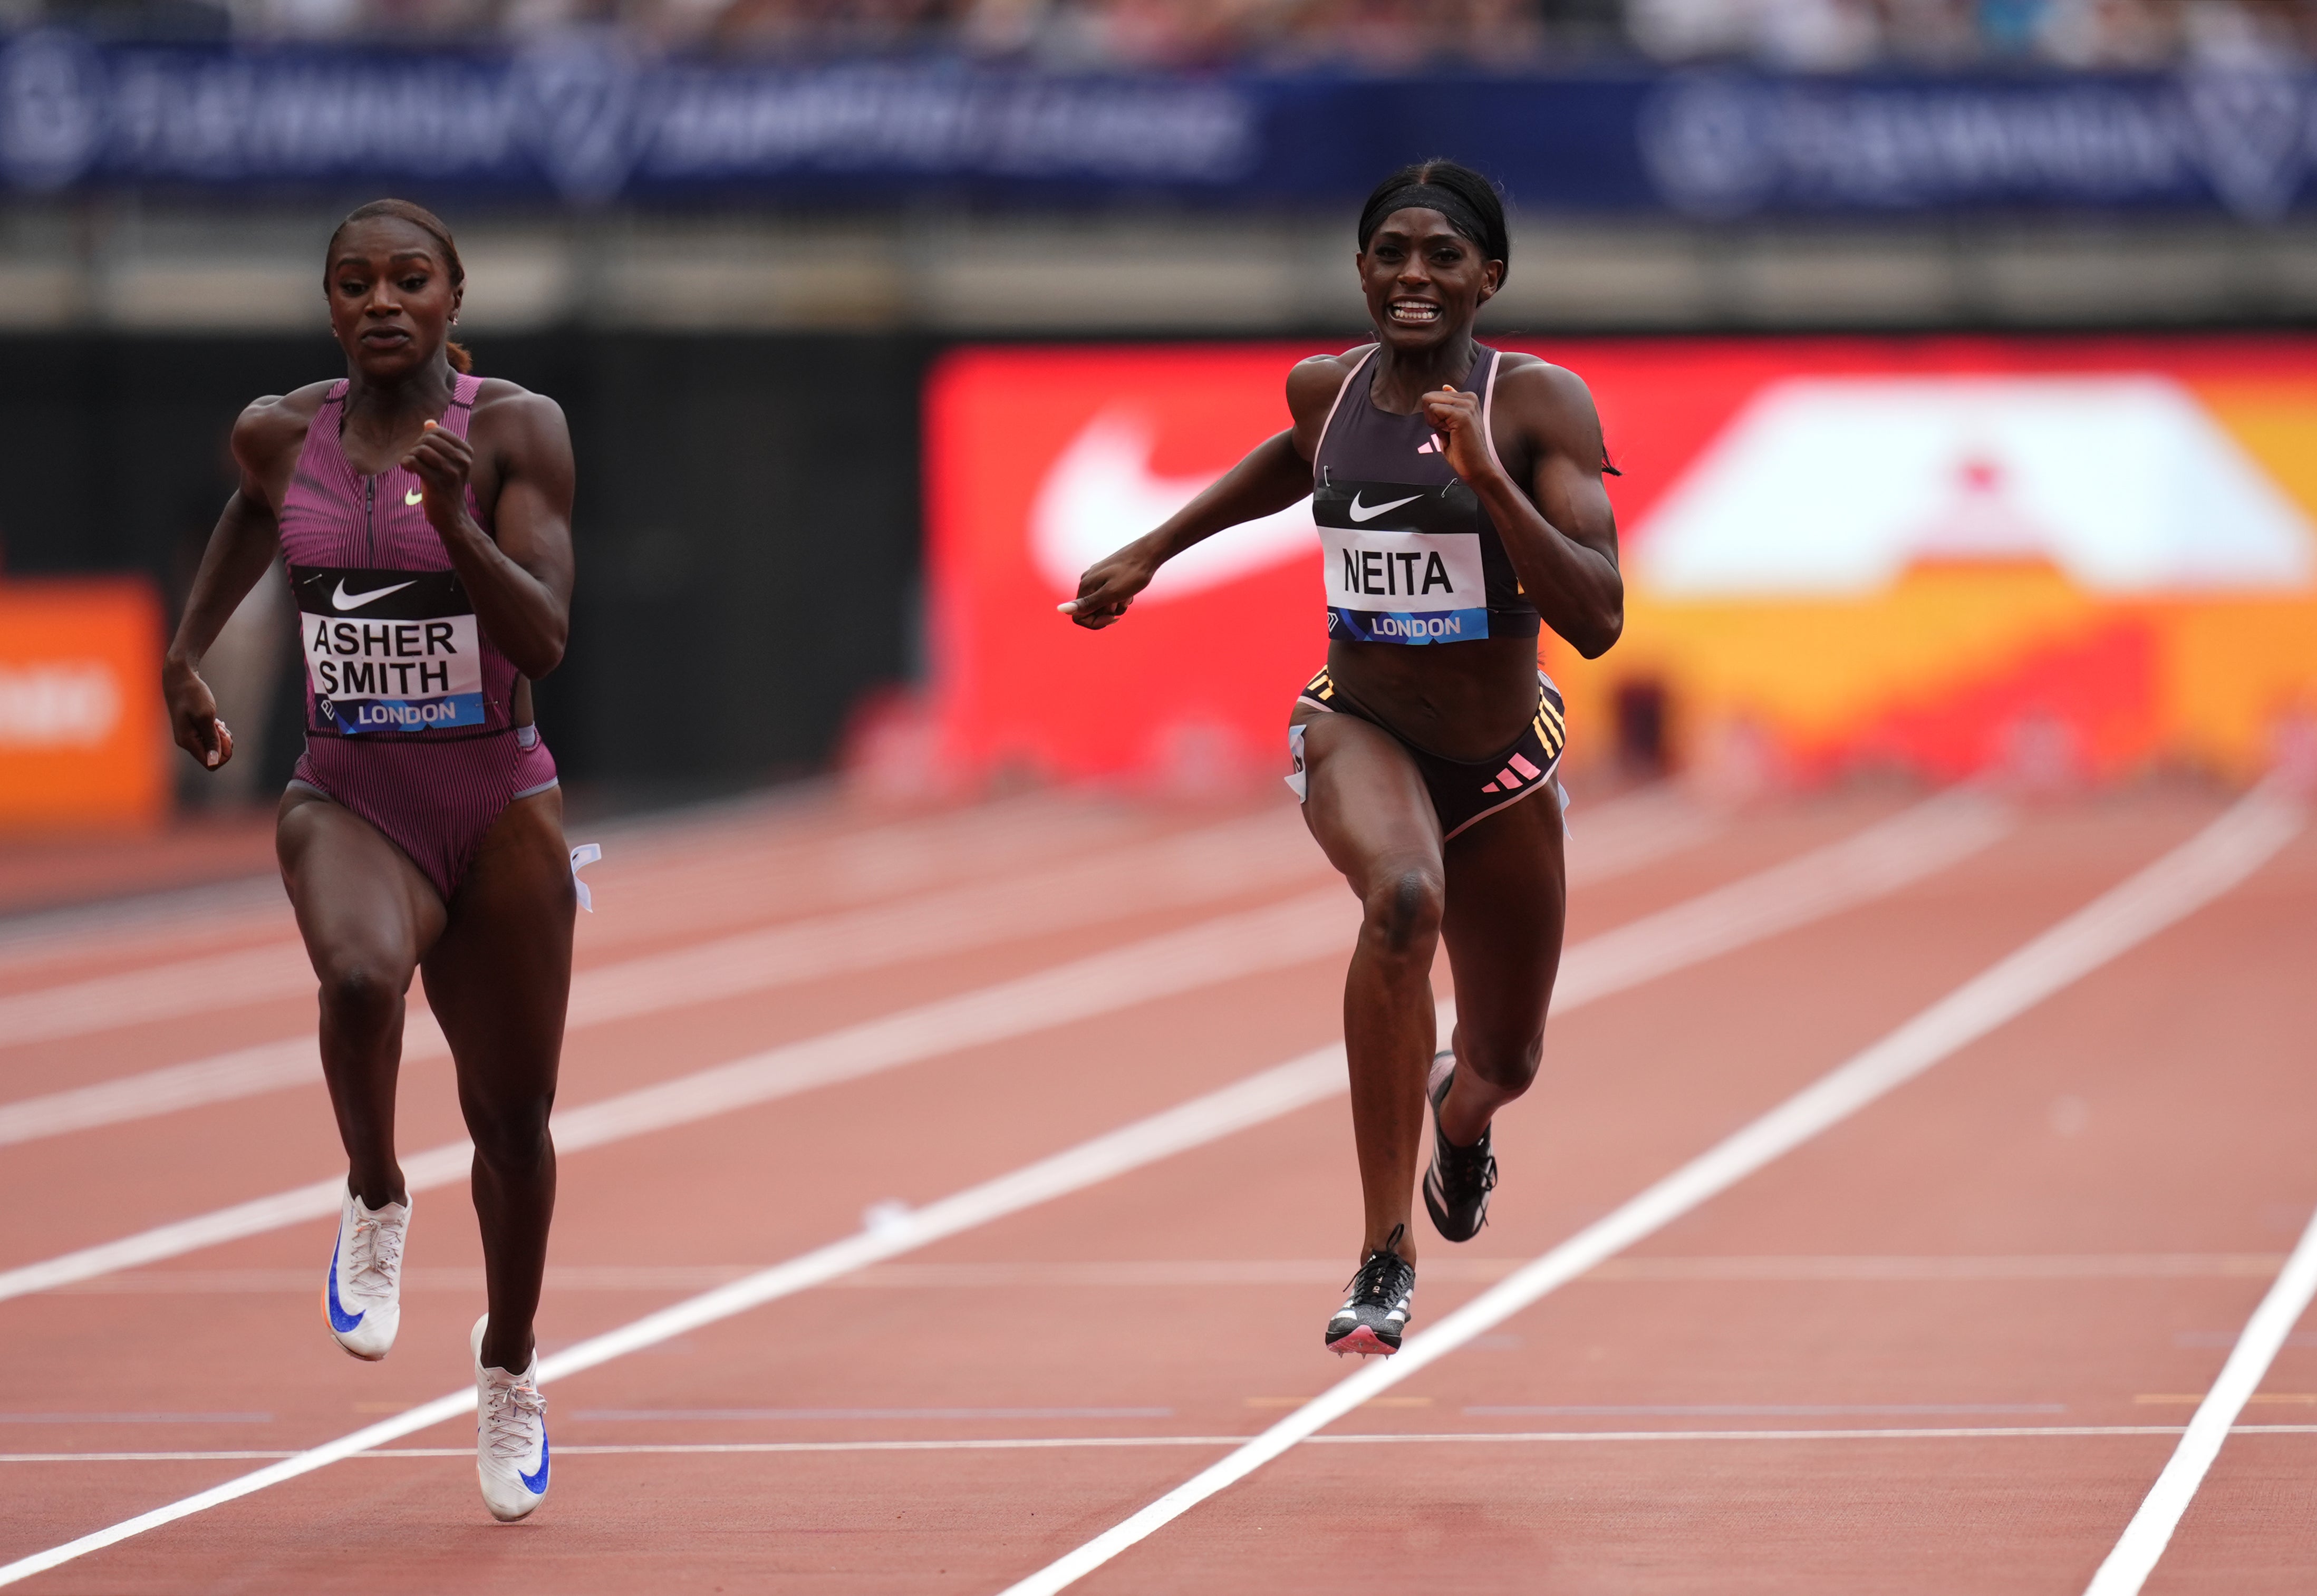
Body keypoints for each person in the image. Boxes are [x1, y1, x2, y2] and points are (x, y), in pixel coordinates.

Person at [1063, 161, 1621, 1357]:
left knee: (1506, 1059)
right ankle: (1383, 1252)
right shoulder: (1331, 390)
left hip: (1502, 759)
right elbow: (1293, 459)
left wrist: (1488, 483)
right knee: (1402, 899)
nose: (1412, 275)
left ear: (1490, 276)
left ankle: (1458, 1118)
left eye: (1440, 256)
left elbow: (1599, 616)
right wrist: (1152, 548)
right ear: (1361, 270)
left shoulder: (1537, 407)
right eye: (1389, 254)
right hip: (1358, 722)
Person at [163, 198, 576, 1517]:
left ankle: (507, 1360)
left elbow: (549, 639)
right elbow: (250, 507)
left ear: (455, 298)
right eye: (355, 285)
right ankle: (376, 1190)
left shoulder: (516, 430)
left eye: (410, 281)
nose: (382, 303)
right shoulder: (282, 431)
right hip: (350, 790)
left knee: (513, 1125)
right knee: (357, 978)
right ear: (331, 305)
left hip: (497, 797)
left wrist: (459, 531)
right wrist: (186, 652)